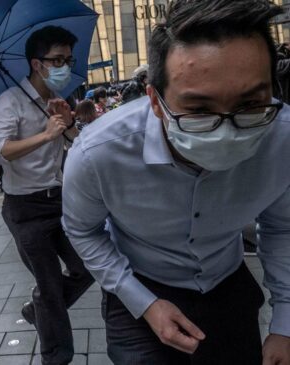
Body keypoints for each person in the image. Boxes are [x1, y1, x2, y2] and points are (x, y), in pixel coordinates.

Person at [62, 1, 290, 364]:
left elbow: (282, 228)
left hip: (228, 281)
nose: (226, 131)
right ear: (155, 100)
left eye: (250, 104)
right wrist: (143, 301)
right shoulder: (98, 155)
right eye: (199, 110)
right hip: (139, 281)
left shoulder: (281, 138)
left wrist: (284, 325)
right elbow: (83, 231)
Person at [0, 25, 95, 365]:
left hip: (61, 201)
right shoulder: (9, 102)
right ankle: (56, 357)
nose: (64, 66)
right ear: (37, 63)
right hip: (25, 208)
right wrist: (46, 135)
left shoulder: (60, 101)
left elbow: (81, 146)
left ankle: (39, 309)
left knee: (86, 267)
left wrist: (69, 125)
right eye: (57, 60)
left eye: (68, 59)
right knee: (49, 285)